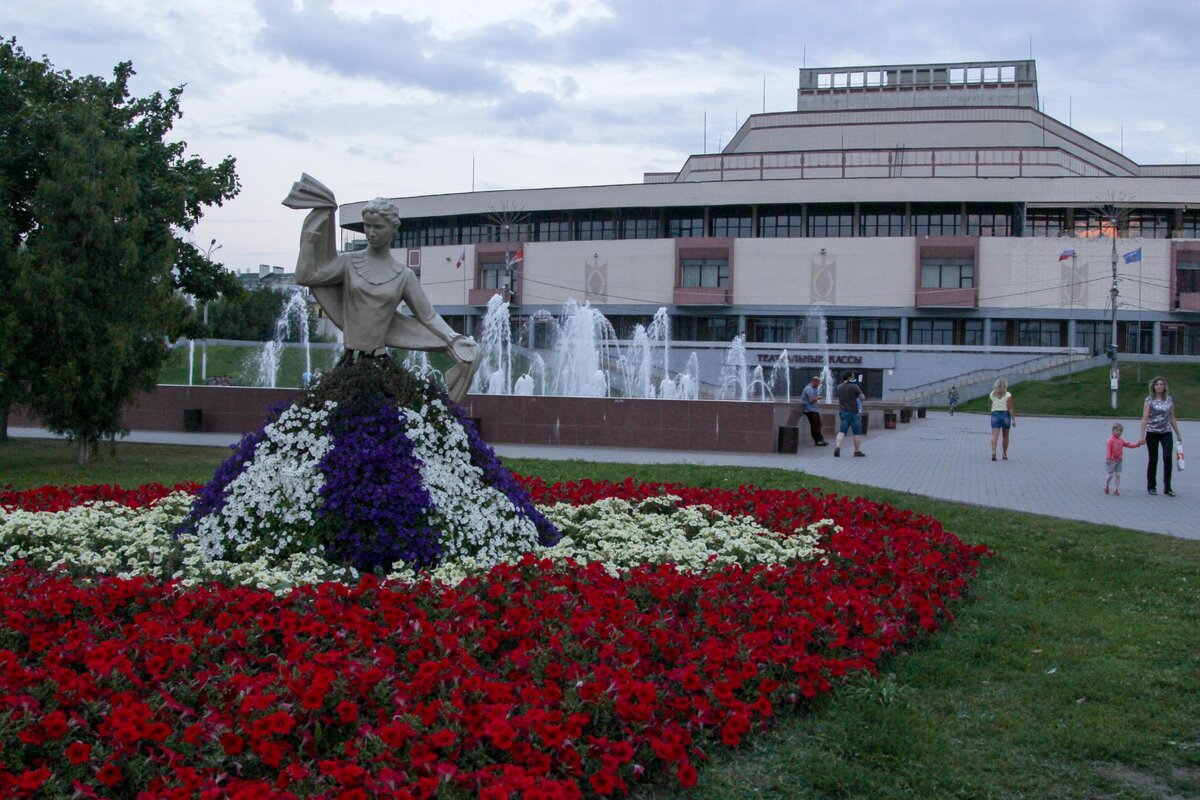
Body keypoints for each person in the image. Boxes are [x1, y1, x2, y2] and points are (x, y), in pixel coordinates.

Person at [283, 174, 479, 402]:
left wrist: (453, 338)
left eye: (378, 227)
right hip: (349, 363)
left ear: (393, 229)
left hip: (381, 364)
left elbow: (428, 316)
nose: (371, 232)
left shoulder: (404, 275)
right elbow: (306, 276)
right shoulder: (348, 263)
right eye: (367, 226)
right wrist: (308, 242)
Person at [1139, 375, 1184, 496]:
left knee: (1167, 458)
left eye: (1161, 384)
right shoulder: (1149, 400)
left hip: (1166, 432)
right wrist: (1142, 435)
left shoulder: (1169, 400)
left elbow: (1172, 417)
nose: (1159, 386)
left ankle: (1168, 487)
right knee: (1153, 459)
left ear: (1164, 387)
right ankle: (1151, 486)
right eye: (1157, 384)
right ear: (1153, 387)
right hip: (1152, 432)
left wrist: (1178, 433)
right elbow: (1145, 417)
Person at [833, 370, 866, 457]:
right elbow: (862, 398)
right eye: (852, 376)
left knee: (842, 431)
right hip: (853, 413)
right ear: (849, 378)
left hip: (843, 412)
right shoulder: (854, 386)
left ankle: (837, 447)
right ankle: (857, 451)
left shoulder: (839, 387)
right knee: (856, 433)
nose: (854, 377)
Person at [1104, 423, 1142, 495]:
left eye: (1120, 431)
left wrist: (1137, 444)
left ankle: (1116, 489)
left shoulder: (1121, 440)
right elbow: (1108, 450)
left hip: (1119, 460)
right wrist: (1108, 458)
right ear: (1113, 431)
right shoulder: (1110, 440)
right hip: (1111, 460)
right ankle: (1106, 485)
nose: (1119, 432)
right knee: (1110, 475)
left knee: (1118, 474)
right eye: (1117, 430)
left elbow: (1128, 445)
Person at [988, 377, 1015, 461]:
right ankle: (1004, 454)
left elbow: (991, 403)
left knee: (995, 435)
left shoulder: (992, 394)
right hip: (1005, 415)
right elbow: (1010, 408)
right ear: (1005, 386)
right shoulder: (1008, 395)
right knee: (1005, 436)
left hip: (995, 415)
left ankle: (993, 453)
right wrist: (1013, 419)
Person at [799, 375, 828, 446]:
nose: (818, 386)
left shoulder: (812, 388)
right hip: (810, 410)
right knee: (815, 425)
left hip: (814, 409)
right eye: (818, 384)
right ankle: (818, 440)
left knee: (818, 424)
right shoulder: (809, 389)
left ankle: (820, 440)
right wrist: (818, 398)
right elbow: (811, 400)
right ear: (814, 382)